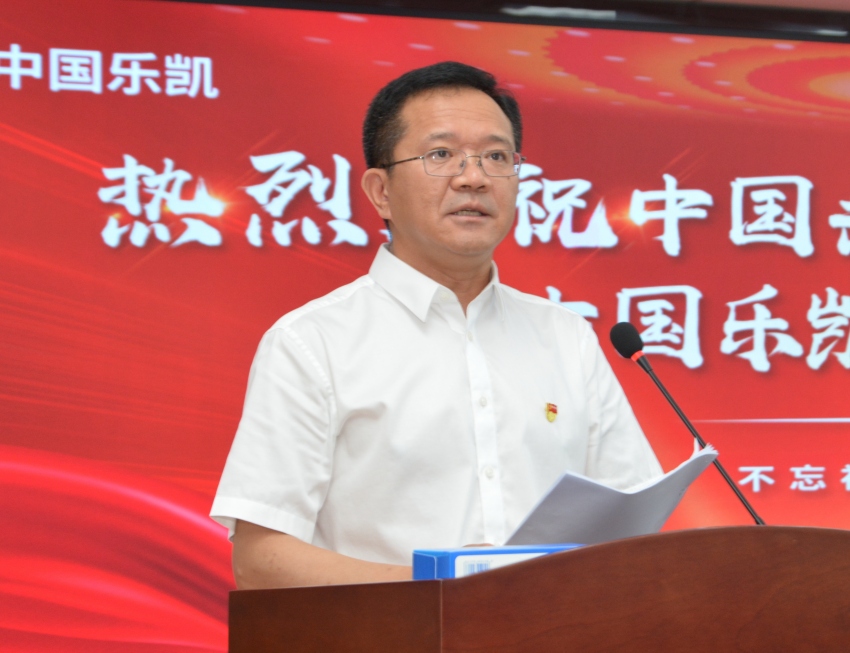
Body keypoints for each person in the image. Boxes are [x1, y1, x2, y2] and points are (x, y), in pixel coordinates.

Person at [210, 61, 662, 589]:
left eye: (496, 157)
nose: (473, 178)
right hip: (388, 630)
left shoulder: (566, 337)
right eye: (441, 155)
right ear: (380, 191)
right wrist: (443, 593)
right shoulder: (312, 343)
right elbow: (261, 560)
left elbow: (634, 524)